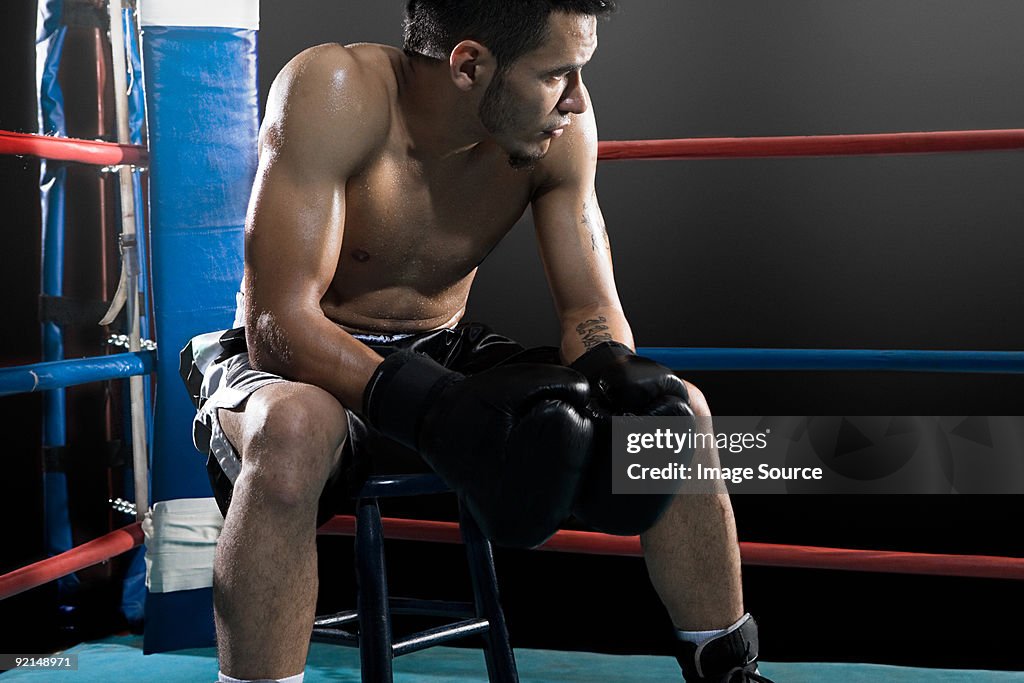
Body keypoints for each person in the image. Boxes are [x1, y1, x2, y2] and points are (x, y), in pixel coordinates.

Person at [185, 2, 770, 681]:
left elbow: (589, 310)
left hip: (445, 347)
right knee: (293, 426)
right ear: (469, 65)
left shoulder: (559, 130)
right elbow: (278, 325)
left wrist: (615, 375)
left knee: (675, 415)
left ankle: (726, 669)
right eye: (558, 74)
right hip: (303, 355)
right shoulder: (335, 91)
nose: (577, 99)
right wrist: (432, 408)